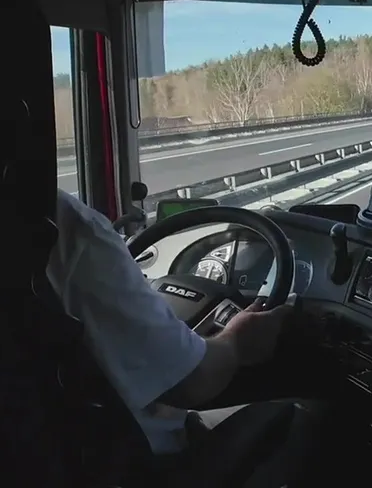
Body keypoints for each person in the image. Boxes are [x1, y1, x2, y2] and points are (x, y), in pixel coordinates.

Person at [49, 190, 319, 487]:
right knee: (306, 415)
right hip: (138, 465)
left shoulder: (18, 231)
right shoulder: (70, 225)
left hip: (55, 456)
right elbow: (193, 383)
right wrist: (237, 340)